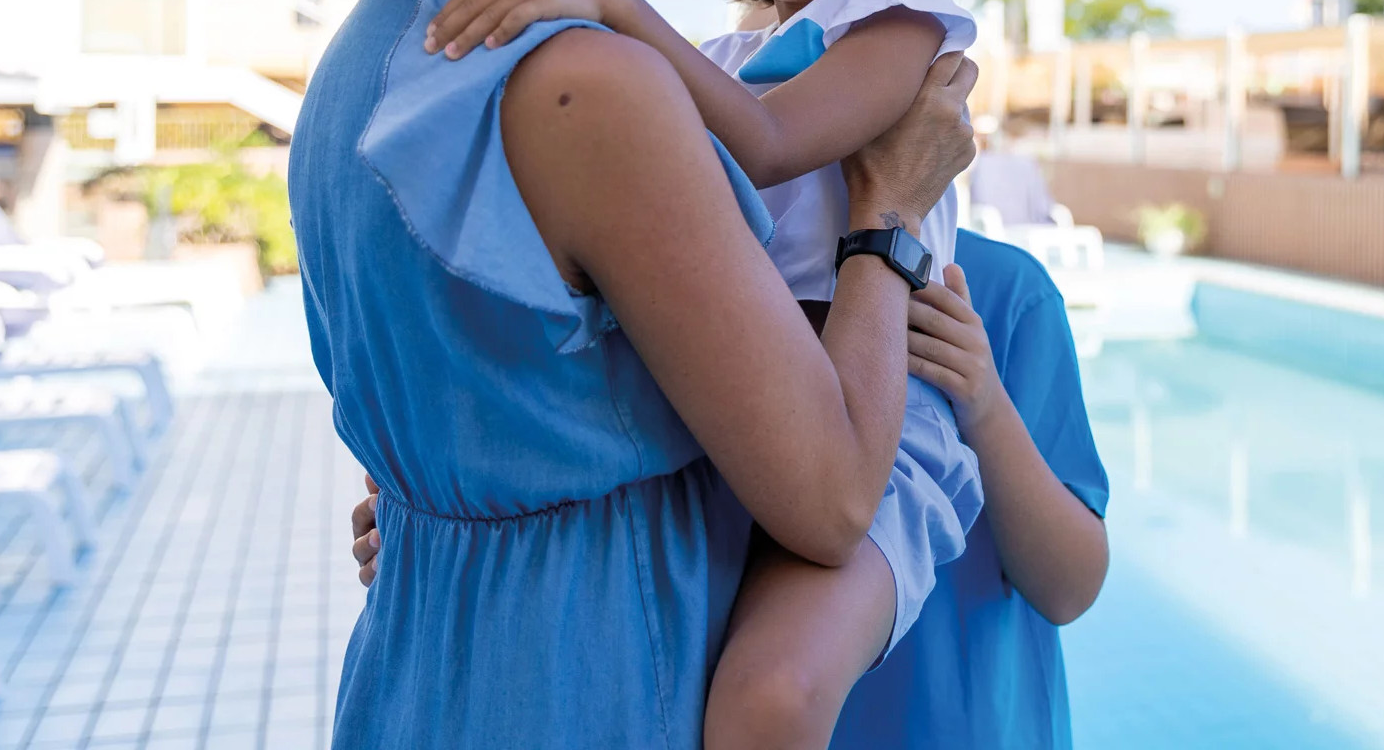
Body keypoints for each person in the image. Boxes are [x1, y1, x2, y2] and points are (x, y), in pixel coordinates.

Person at [285, 0, 975, 748]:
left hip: (421, 666)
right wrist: (889, 220)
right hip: (584, 680)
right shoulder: (585, 84)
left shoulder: (360, 59)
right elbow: (828, 501)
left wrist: (434, 502)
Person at [416, 0, 986, 746]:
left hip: (876, 421)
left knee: (769, 698)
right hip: (743, 406)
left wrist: (612, 2)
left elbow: (766, 147)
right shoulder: (729, 56)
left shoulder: (903, 23)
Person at [355, 229, 1111, 748]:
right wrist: (435, 525)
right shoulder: (691, 303)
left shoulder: (996, 293)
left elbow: (1069, 588)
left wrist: (982, 401)